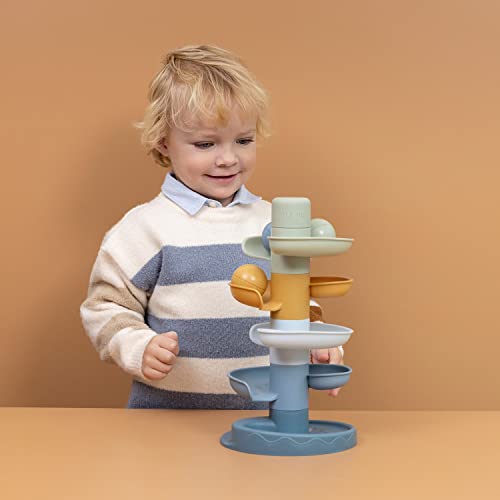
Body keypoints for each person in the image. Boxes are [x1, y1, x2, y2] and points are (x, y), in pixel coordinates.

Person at [80, 44, 344, 409]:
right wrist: (138, 346)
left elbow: (296, 299)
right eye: (205, 144)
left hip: (264, 421)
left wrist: (317, 340)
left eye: (244, 140)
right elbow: (105, 307)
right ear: (163, 142)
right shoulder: (143, 228)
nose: (228, 158)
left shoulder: (273, 223)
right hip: (167, 422)